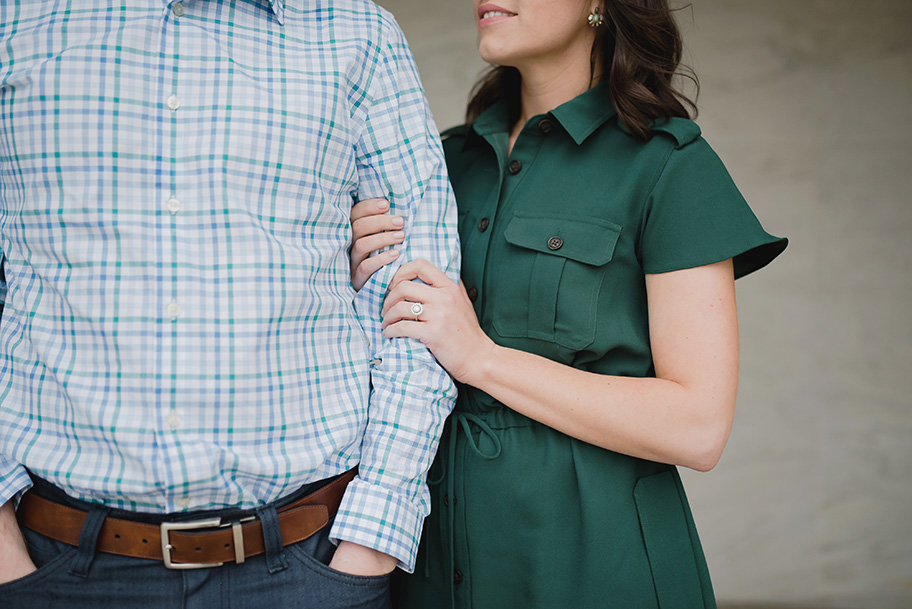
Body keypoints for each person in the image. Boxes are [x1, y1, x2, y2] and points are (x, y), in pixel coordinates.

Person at [0, 1, 460, 607]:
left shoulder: (356, 31)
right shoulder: (17, 18)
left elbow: (420, 292)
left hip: (307, 563)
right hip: (52, 563)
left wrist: (370, 541)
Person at [349, 0, 788, 607]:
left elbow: (699, 426)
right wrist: (355, 281)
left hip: (595, 570)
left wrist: (481, 358)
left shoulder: (668, 166)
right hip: (429, 568)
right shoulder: (440, 165)